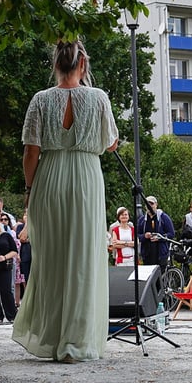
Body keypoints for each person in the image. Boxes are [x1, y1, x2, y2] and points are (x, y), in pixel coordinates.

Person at [13, 40, 118, 363]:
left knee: (51, 261)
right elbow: (111, 143)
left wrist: (29, 191)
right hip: (86, 178)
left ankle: (53, 337)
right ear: (82, 64)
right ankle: (77, 341)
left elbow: (31, 151)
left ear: (55, 64)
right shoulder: (98, 97)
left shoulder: (40, 100)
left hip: (49, 180)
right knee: (84, 261)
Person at [137, 196, 175, 266]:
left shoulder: (164, 217)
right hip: (147, 254)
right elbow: (137, 235)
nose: (150, 206)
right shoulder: (142, 220)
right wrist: (144, 236)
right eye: (147, 204)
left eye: (152, 204)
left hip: (161, 253)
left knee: (161, 274)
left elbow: (171, 234)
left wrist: (160, 237)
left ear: (156, 205)